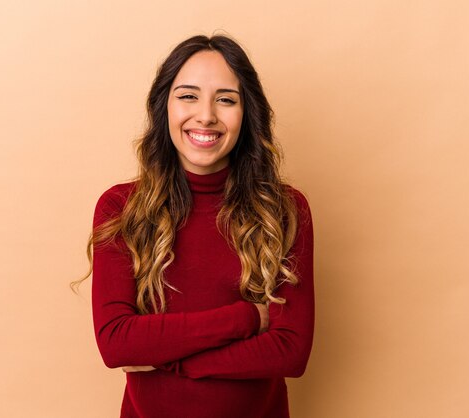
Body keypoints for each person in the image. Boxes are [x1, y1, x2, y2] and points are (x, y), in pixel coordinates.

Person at [71, 34, 315, 418]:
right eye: (188, 96)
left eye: (226, 99)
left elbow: (291, 351)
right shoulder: (120, 208)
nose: (206, 115)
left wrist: (172, 359)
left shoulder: (283, 209)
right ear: (163, 107)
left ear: (246, 113)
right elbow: (117, 344)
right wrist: (249, 318)